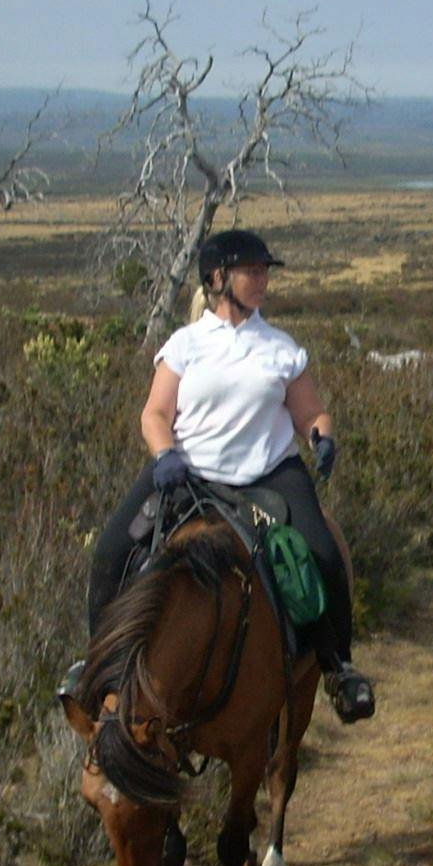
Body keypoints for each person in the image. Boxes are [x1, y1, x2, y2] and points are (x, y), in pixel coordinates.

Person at [83, 228, 375, 723]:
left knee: (323, 553)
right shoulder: (185, 344)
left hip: (270, 474)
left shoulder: (281, 348)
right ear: (217, 279)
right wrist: (165, 455)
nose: (262, 279)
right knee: (111, 552)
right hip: (189, 473)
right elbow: (155, 414)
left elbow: (310, 413)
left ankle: (337, 667)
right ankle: (96, 668)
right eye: (252, 271)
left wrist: (322, 438)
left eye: (264, 271)